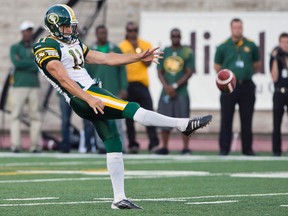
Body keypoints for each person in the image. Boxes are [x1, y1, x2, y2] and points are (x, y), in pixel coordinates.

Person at [33, 4, 212, 209]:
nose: (70, 30)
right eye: (66, 26)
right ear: (54, 26)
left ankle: (119, 199)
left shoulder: (73, 43)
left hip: (88, 92)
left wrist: (137, 57)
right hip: (83, 95)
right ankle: (182, 124)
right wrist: (89, 98)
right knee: (131, 108)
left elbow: (106, 58)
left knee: (113, 140)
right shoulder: (44, 46)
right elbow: (63, 79)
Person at [214, 18, 260, 156]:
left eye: (239, 27)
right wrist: (227, 79)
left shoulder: (251, 45)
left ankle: (247, 149)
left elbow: (257, 65)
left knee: (247, 118)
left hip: (246, 85)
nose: (237, 30)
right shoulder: (223, 46)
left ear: (242, 28)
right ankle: (224, 148)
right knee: (226, 118)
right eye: (235, 28)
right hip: (228, 88)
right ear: (231, 28)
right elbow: (217, 66)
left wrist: (245, 73)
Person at [85, 24, 128, 153]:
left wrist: (124, 87)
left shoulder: (115, 49)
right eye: (100, 33)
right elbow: (85, 72)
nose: (103, 35)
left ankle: (121, 146)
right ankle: (101, 146)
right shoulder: (89, 51)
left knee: (118, 119)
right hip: (97, 92)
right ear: (96, 34)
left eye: (105, 33)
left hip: (113, 89)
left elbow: (122, 70)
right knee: (100, 119)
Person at [119, 21, 159, 153]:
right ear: (126, 31)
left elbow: (148, 64)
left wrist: (139, 49)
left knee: (149, 113)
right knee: (129, 117)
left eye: (135, 30)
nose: (132, 33)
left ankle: (153, 143)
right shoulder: (122, 46)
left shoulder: (145, 45)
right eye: (130, 31)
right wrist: (122, 87)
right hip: (128, 84)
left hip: (142, 84)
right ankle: (133, 144)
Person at [154, 28, 194, 155]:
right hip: (166, 91)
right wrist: (167, 87)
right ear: (170, 37)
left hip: (181, 92)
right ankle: (164, 146)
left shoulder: (187, 52)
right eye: (173, 36)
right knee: (164, 119)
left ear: (180, 37)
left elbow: (189, 72)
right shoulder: (165, 51)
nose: (175, 38)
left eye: (177, 35)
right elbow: (159, 72)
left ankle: (185, 147)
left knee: (184, 120)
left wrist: (175, 86)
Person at [9, 20, 42, 153]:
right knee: (15, 115)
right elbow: (17, 63)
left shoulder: (37, 47)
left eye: (30, 30)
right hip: (19, 86)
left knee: (36, 116)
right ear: (22, 32)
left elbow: (39, 65)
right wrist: (32, 64)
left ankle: (35, 146)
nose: (29, 33)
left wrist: (26, 63)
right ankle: (15, 145)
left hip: (34, 85)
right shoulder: (15, 47)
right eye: (27, 30)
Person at [270, 32, 288, 156]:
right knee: (277, 123)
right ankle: (276, 150)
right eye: (283, 42)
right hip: (279, 92)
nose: (285, 45)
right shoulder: (275, 57)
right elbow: (274, 77)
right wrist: (276, 59)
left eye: (287, 43)